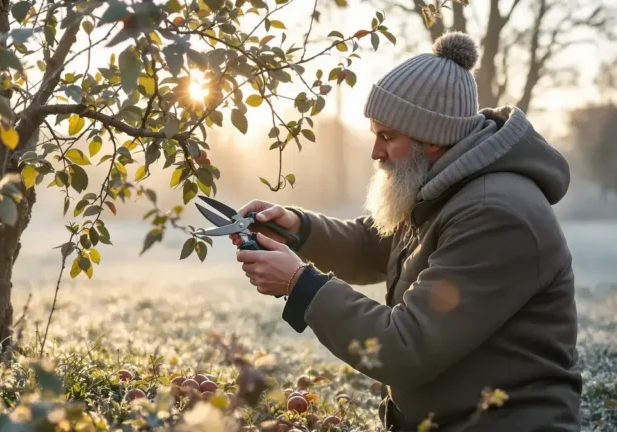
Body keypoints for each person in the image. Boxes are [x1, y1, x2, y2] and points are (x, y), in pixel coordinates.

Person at [230, 32, 582, 431]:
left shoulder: (495, 214)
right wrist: (299, 229)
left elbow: (405, 348)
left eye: (387, 136)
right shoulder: (443, 183)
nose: (375, 152)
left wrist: (301, 285)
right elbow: (373, 245)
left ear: (432, 139)